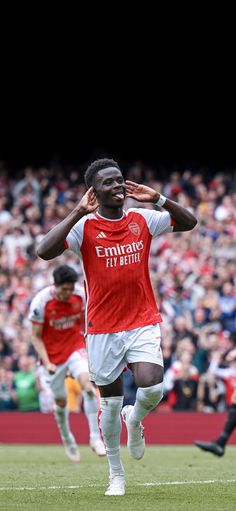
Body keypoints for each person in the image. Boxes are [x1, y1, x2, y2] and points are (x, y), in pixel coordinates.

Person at [37, 158, 197, 495]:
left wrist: (160, 199)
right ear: (94, 191)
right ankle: (116, 473)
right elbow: (43, 251)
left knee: (152, 387)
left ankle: (135, 419)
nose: (117, 186)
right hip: (102, 329)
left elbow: (190, 222)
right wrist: (78, 212)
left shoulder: (142, 218)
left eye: (119, 180)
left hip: (141, 320)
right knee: (108, 407)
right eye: (108, 183)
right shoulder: (85, 227)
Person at [28, 264, 106, 461]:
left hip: (74, 348)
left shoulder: (79, 296)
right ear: (56, 286)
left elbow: (85, 324)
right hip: (52, 357)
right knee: (60, 401)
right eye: (65, 289)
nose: (68, 293)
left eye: (71, 288)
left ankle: (95, 438)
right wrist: (47, 362)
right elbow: (35, 337)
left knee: (88, 386)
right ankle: (67, 438)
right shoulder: (41, 303)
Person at [194, 347, 236, 456]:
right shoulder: (229, 372)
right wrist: (215, 359)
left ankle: (220, 444)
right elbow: (212, 372)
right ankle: (220, 443)